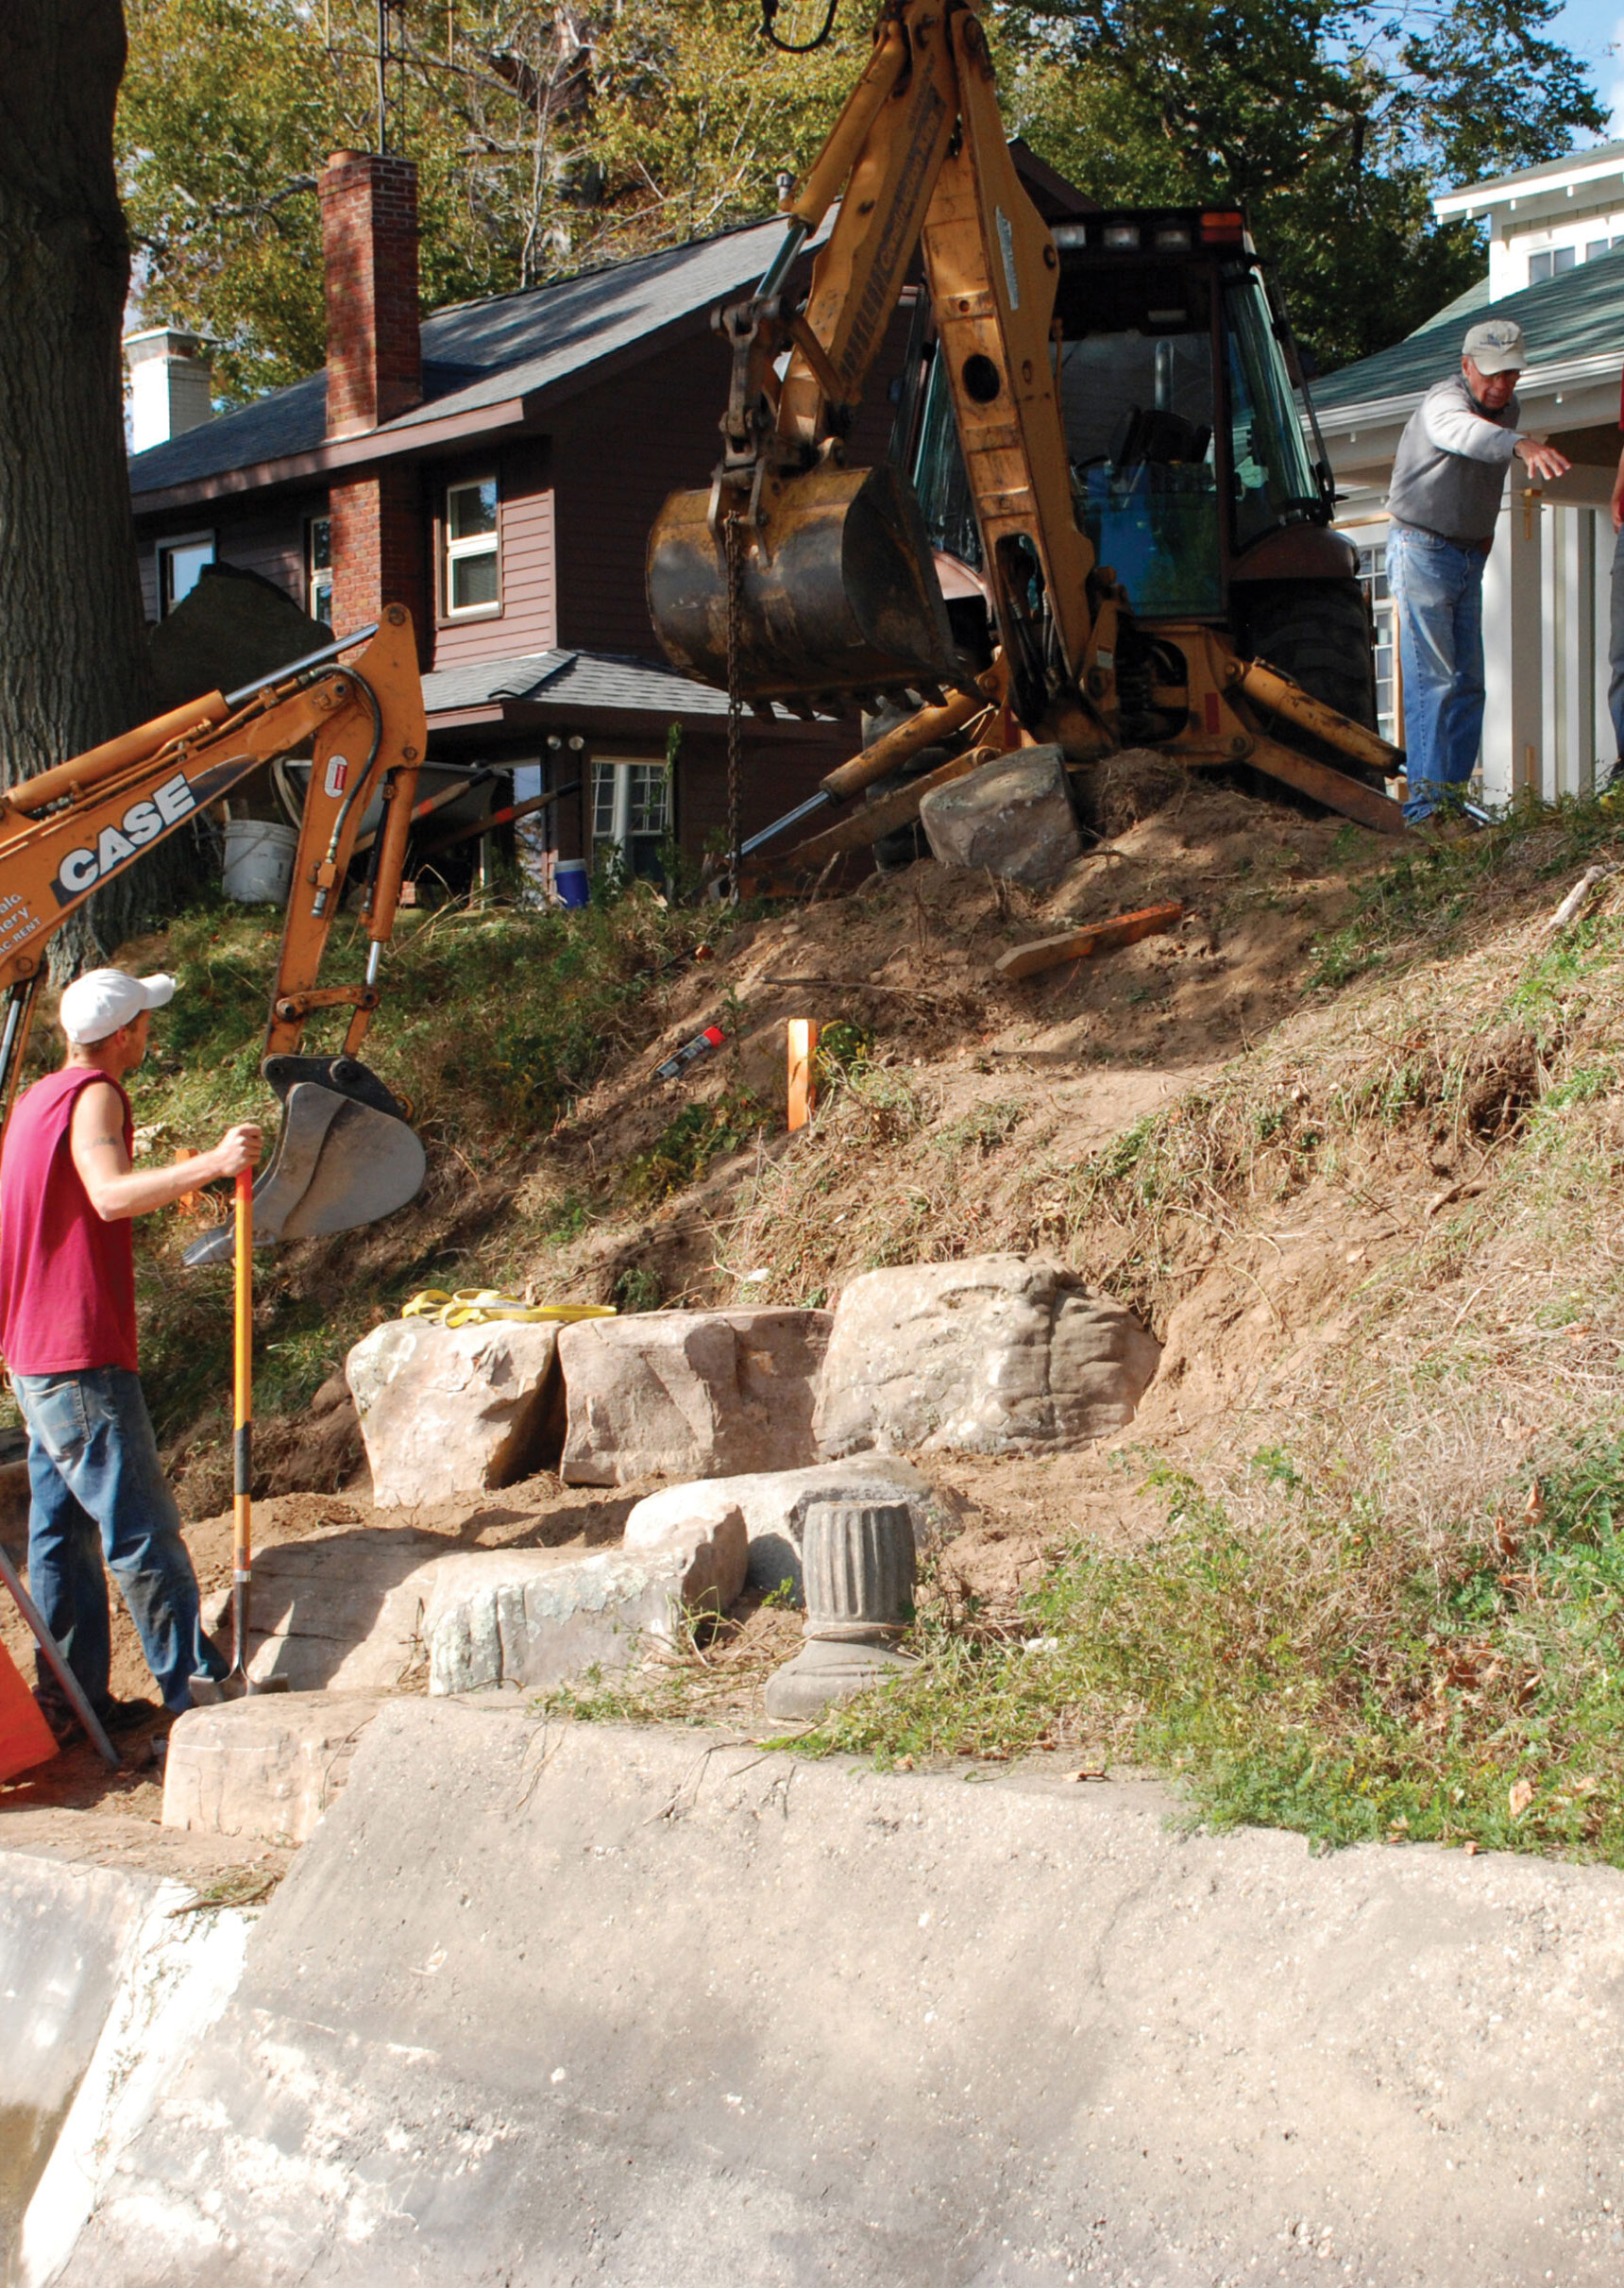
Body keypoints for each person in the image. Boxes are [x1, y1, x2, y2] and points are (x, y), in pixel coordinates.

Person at [0, 968, 262, 1741]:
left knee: (60, 1533)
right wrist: (212, 1164)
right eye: (144, 1019)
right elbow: (109, 1192)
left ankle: (72, 1704)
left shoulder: (32, 1100)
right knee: (138, 1524)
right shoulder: (96, 1096)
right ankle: (200, 1694)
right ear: (121, 1035)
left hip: (31, 1353)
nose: (150, 1029)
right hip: (78, 1354)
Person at [1386, 317, 1570, 825]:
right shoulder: (1443, 401)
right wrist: (1521, 444)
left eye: (1510, 375)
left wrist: (1483, 540)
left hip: (1466, 553)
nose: (1500, 385)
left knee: (1468, 685)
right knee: (1436, 681)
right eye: (1490, 374)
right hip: (1421, 547)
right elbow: (1462, 435)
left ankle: (1448, 804)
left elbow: (1480, 482)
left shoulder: (1508, 406)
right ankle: (1424, 812)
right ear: (1466, 366)